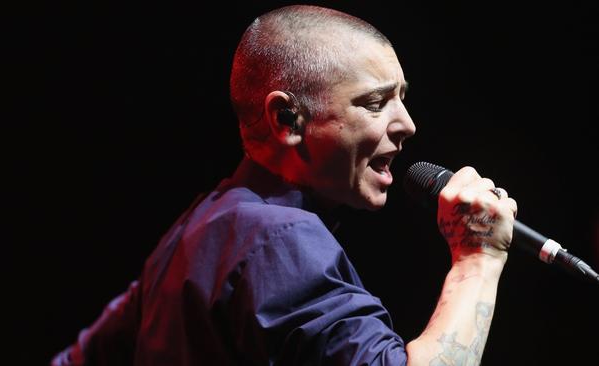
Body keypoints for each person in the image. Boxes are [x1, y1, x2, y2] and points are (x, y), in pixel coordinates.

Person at [52, 4, 517, 365]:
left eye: (402, 97)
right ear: (286, 119)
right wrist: (477, 258)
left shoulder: (194, 232)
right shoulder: (279, 241)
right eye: (376, 103)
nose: (408, 124)